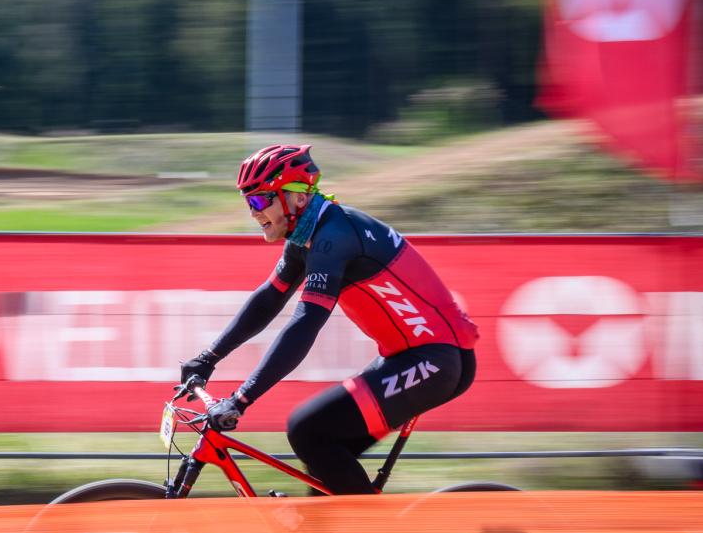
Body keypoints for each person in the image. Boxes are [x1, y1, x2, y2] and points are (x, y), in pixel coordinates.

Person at [180, 144, 479, 495]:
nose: (254, 212)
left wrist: (242, 399)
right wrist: (209, 358)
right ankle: (335, 530)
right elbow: (269, 299)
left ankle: (376, 529)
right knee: (324, 468)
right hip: (412, 356)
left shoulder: (334, 237)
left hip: (435, 361)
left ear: (298, 198)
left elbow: (306, 322)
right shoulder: (306, 234)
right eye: (249, 202)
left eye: (261, 200)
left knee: (308, 430)